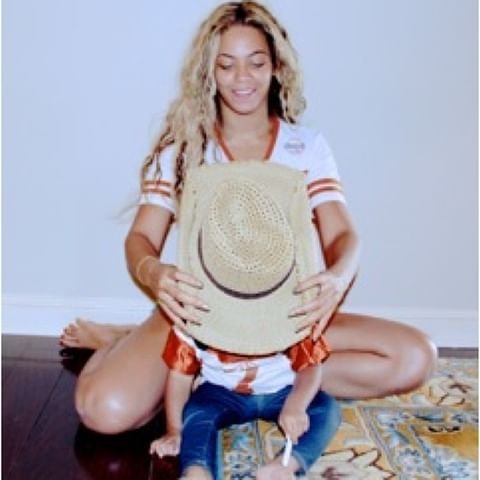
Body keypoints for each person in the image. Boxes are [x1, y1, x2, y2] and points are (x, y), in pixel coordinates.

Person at [61, 1, 437, 439]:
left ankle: (237, 379)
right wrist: (155, 273)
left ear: (276, 66)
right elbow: (141, 237)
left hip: (285, 316)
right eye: (226, 65)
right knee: (102, 411)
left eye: (256, 63)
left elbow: (343, 236)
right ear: (209, 71)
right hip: (199, 315)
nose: (243, 78)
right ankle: (148, 347)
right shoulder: (184, 148)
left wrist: (336, 281)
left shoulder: (306, 147)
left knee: (416, 357)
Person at [149, 325, 340, 480]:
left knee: (327, 409)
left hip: (283, 392)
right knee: (197, 412)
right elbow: (180, 378)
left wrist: (296, 405)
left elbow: (311, 367)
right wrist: (174, 430)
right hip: (220, 392)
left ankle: (285, 464)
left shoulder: (293, 322)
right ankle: (197, 470)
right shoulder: (192, 327)